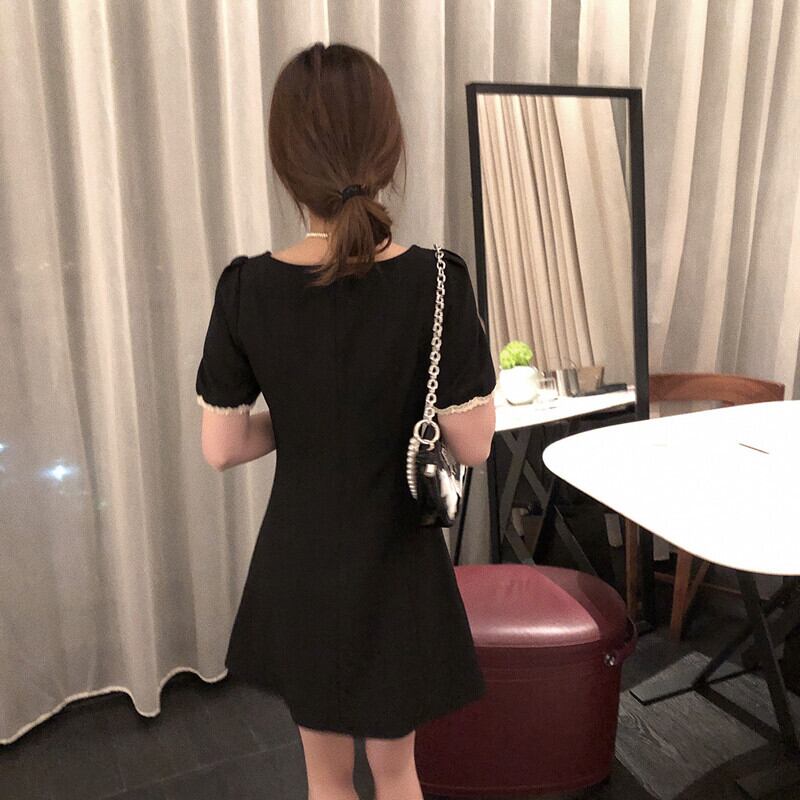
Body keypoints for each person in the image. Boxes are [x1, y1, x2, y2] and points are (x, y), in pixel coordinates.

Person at [195, 41, 496, 800]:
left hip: (300, 567)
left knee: (324, 778)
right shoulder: (439, 280)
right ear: (389, 150)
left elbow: (221, 447)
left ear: (284, 161)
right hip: (398, 567)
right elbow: (473, 443)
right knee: (398, 772)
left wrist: (300, 424)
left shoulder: (245, 287)